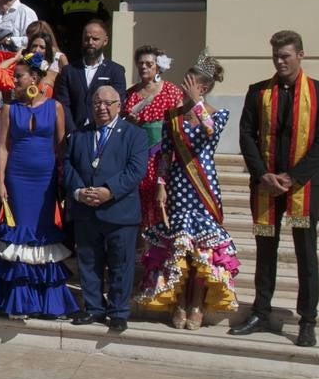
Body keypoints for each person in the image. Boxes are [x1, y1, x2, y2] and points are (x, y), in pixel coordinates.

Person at [230, 30, 319, 348]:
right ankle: (261, 311)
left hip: (302, 188)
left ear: (300, 55)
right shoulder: (258, 92)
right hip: (265, 188)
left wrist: (292, 178)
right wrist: (262, 174)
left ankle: (308, 320)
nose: (280, 62)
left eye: (286, 56)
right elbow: (246, 135)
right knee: (265, 250)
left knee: (306, 253)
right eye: (276, 56)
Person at [137, 54, 240, 330]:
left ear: (202, 88)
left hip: (204, 188)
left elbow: (209, 132)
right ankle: (180, 301)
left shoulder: (218, 114)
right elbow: (165, 154)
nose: (183, 88)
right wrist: (161, 185)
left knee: (201, 250)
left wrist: (196, 103)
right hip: (178, 187)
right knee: (179, 247)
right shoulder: (173, 116)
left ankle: (197, 303)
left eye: (190, 84)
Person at [0, 57, 78, 319]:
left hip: (45, 180)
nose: (14, 82)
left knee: (42, 234)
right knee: (19, 234)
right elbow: (2, 147)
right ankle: (17, 300)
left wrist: (62, 182)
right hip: (17, 178)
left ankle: (47, 302)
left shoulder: (55, 107)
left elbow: (60, 146)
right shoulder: (9, 109)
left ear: (34, 78)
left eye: (18, 76)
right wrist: (1, 181)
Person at [63, 85, 150, 333]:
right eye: (96, 103)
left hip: (120, 211)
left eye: (107, 103)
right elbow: (68, 166)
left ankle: (118, 312)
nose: (101, 107)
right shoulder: (79, 134)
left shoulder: (134, 134)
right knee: (88, 262)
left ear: (118, 106)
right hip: (86, 210)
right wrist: (79, 192)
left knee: (121, 264)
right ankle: (93, 308)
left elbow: (136, 170)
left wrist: (109, 191)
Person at [123, 46, 185, 229]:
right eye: (140, 63)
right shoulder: (130, 95)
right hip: (139, 157)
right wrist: (130, 123)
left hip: (164, 157)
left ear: (158, 66)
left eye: (149, 64)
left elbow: (180, 125)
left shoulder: (171, 91)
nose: (144, 67)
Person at [56, 20, 127, 133]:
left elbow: (117, 103)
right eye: (86, 39)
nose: (90, 42)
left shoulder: (115, 71)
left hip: (104, 134)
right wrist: (73, 134)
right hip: (74, 133)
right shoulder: (69, 71)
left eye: (95, 39)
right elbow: (63, 105)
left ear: (105, 41)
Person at [60, 0, 110, 65]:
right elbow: (60, 25)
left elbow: (106, 20)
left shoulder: (95, 4)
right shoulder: (66, 5)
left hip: (90, 43)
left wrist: (100, 37)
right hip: (72, 44)